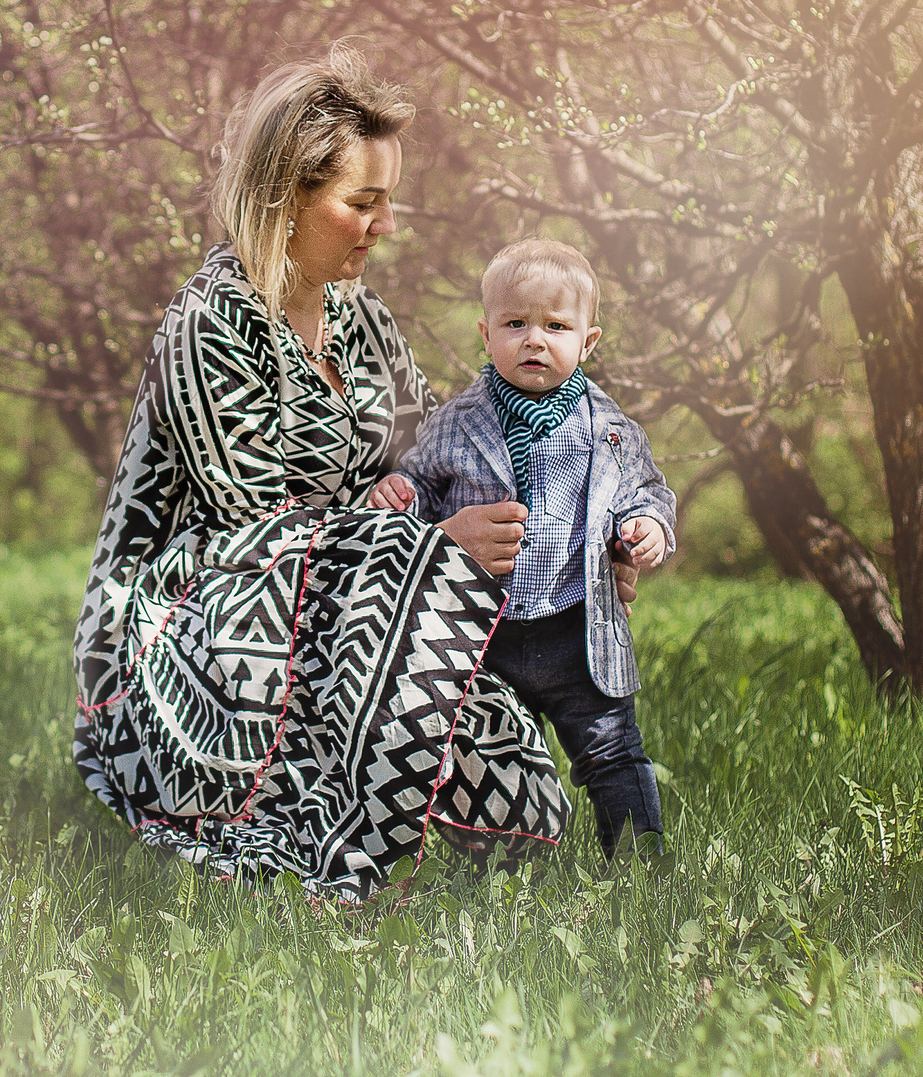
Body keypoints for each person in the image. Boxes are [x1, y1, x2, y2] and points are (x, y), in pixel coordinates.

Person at [70, 48, 630, 902]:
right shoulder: (208, 324)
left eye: (387, 202)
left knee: (526, 798)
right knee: (392, 581)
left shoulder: (359, 319)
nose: (386, 224)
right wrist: (429, 549)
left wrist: (573, 547)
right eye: (362, 203)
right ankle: (346, 868)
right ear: (283, 197)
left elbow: (441, 455)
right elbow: (251, 528)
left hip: (363, 597)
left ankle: (407, 846)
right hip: (194, 625)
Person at [367, 238, 678, 856]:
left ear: (588, 342)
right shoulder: (457, 422)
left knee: (612, 749)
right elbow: (423, 485)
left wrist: (648, 528)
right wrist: (402, 491)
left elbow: (648, 491)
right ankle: (498, 870)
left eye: (556, 326)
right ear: (486, 335)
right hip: (485, 631)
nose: (534, 340)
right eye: (516, 324)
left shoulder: (611, 430)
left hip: (576, 628)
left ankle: (644, 865)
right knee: (485, 753)